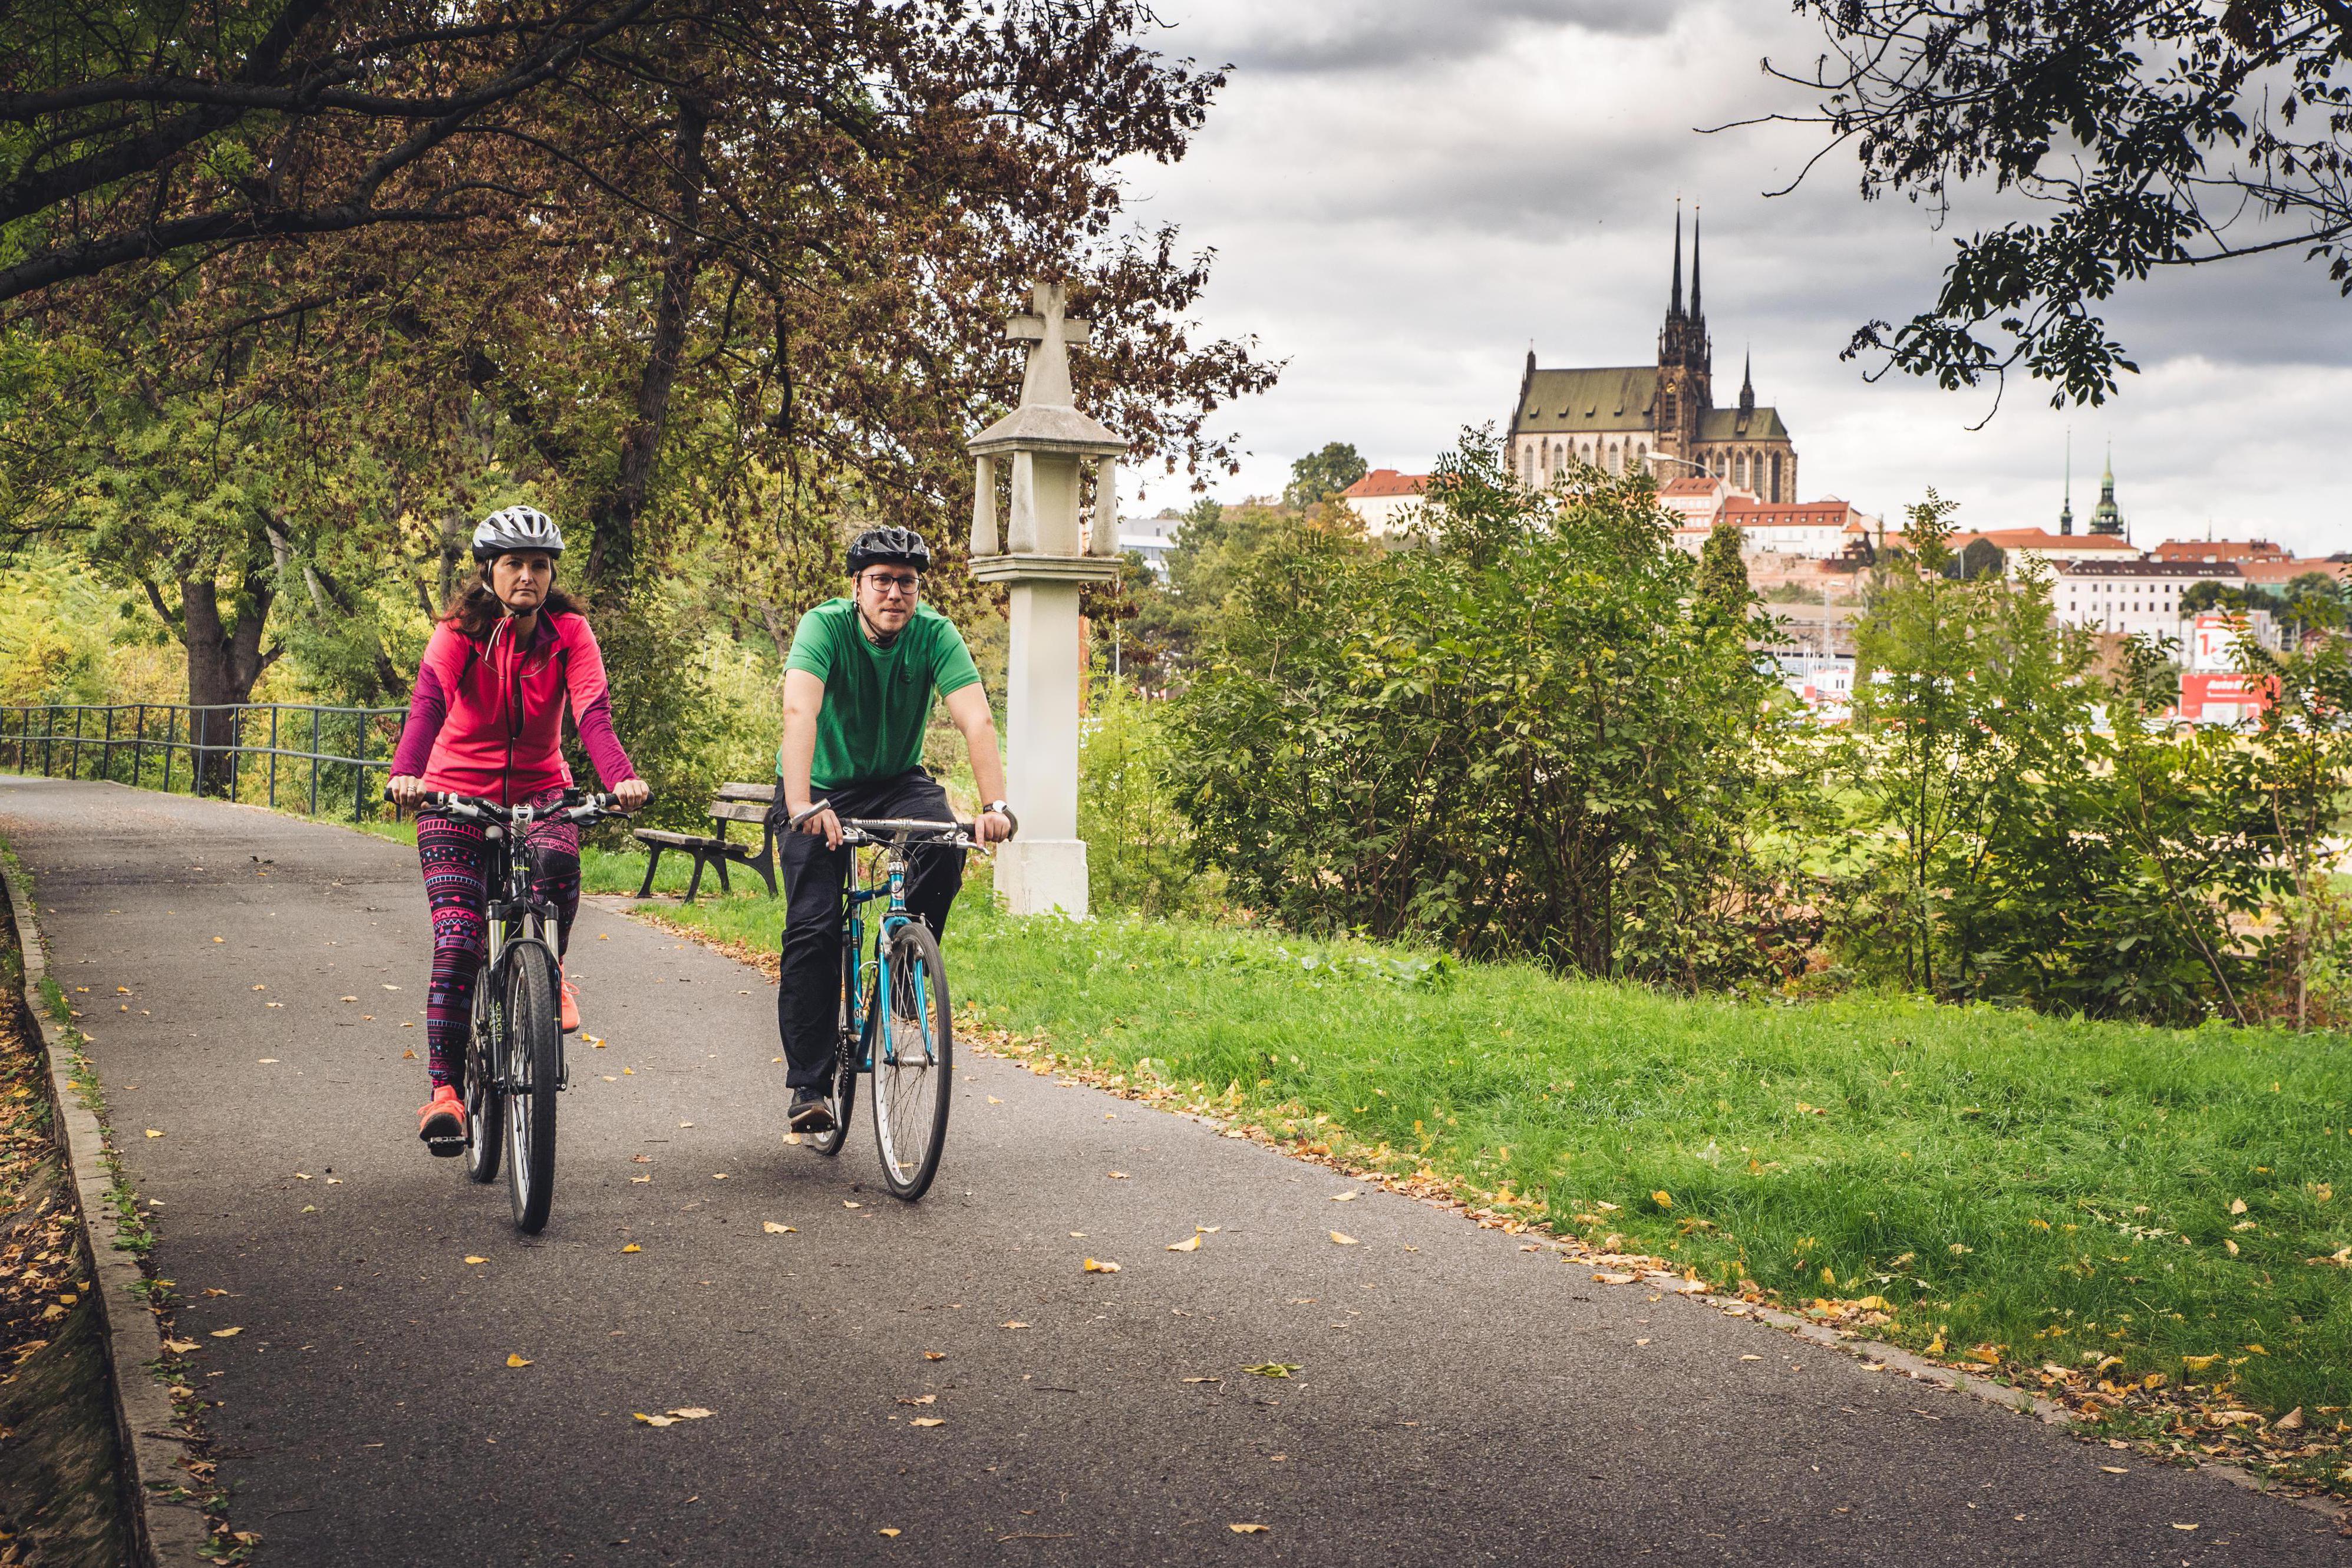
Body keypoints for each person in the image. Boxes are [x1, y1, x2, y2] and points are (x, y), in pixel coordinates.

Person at [387, 506, 651, 1154]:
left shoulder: (568, 632)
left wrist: (620, 778)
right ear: (489, 573)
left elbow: (593, 713)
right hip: (454, 796)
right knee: (458, 941)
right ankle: (445, 1093)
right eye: (513, 564)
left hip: (542, 788)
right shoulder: (458, 633)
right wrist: (407, 774)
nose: (526, 576)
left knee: (556, 866)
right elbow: (427, 705)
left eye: (538, 565)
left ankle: (551, 968)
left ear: (550, 572)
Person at [774, 526, 1014, 1133]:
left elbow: (977, 719)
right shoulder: (822, 628)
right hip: (819, 785)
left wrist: (995, 805)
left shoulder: (935, 634)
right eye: (880, 581)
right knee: (814, 928)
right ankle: (809, 1085)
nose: (894, 594)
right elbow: (800, 708)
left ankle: (906, 969)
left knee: (945, 840)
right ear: (857, 587)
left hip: (894, 778)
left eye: (906, 582)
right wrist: (802, 802)